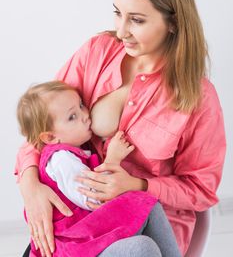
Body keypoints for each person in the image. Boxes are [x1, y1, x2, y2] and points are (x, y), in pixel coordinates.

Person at [15, 0, 226, 257]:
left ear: (173, 23)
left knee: (142, 249)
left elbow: (201, 189)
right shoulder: (96, 53)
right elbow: (43, 125)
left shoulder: (199, 98)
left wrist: (139, 186)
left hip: (152, 230)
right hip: (79, 225)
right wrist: (30, 186)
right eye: (118, 13)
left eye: (137, 20)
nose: (121, 30)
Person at [17, 80, 181, 257]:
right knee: (142, 240)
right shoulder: (61, 160)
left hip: (87, 237)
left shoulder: (71, 153)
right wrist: (112, 159)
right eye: (72, 117)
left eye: (81, 105)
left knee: (146, 207)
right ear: (50, 137)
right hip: (75, 247)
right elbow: (95, 198)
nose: (85, 115)